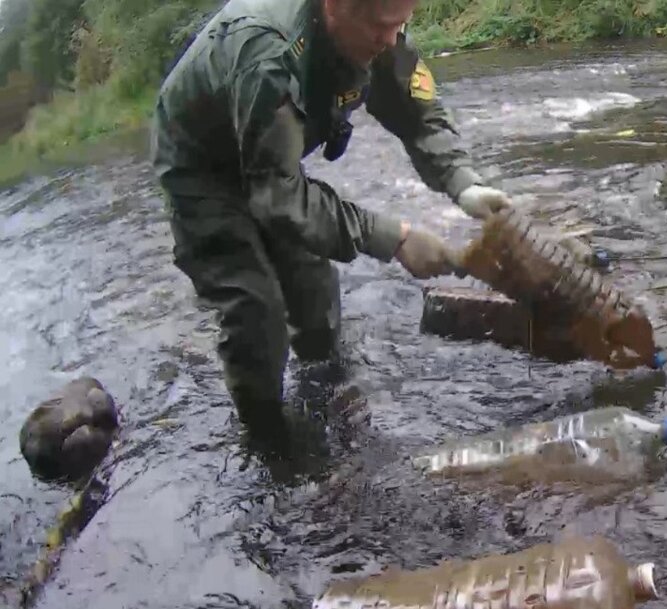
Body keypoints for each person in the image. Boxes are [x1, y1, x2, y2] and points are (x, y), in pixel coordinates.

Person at [149, 0, 511, 435]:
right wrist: (394, 238)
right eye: (381, 26)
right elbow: (278, 199)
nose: (391, 40)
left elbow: (416, 111)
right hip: (201, 166)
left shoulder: (381, 27)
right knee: (255, 310)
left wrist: (463, 183)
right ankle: (268, 438)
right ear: (334, 7)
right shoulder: (269, 52)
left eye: (401, 25)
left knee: (314, 291)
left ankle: (330, 399)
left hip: (270, 158)